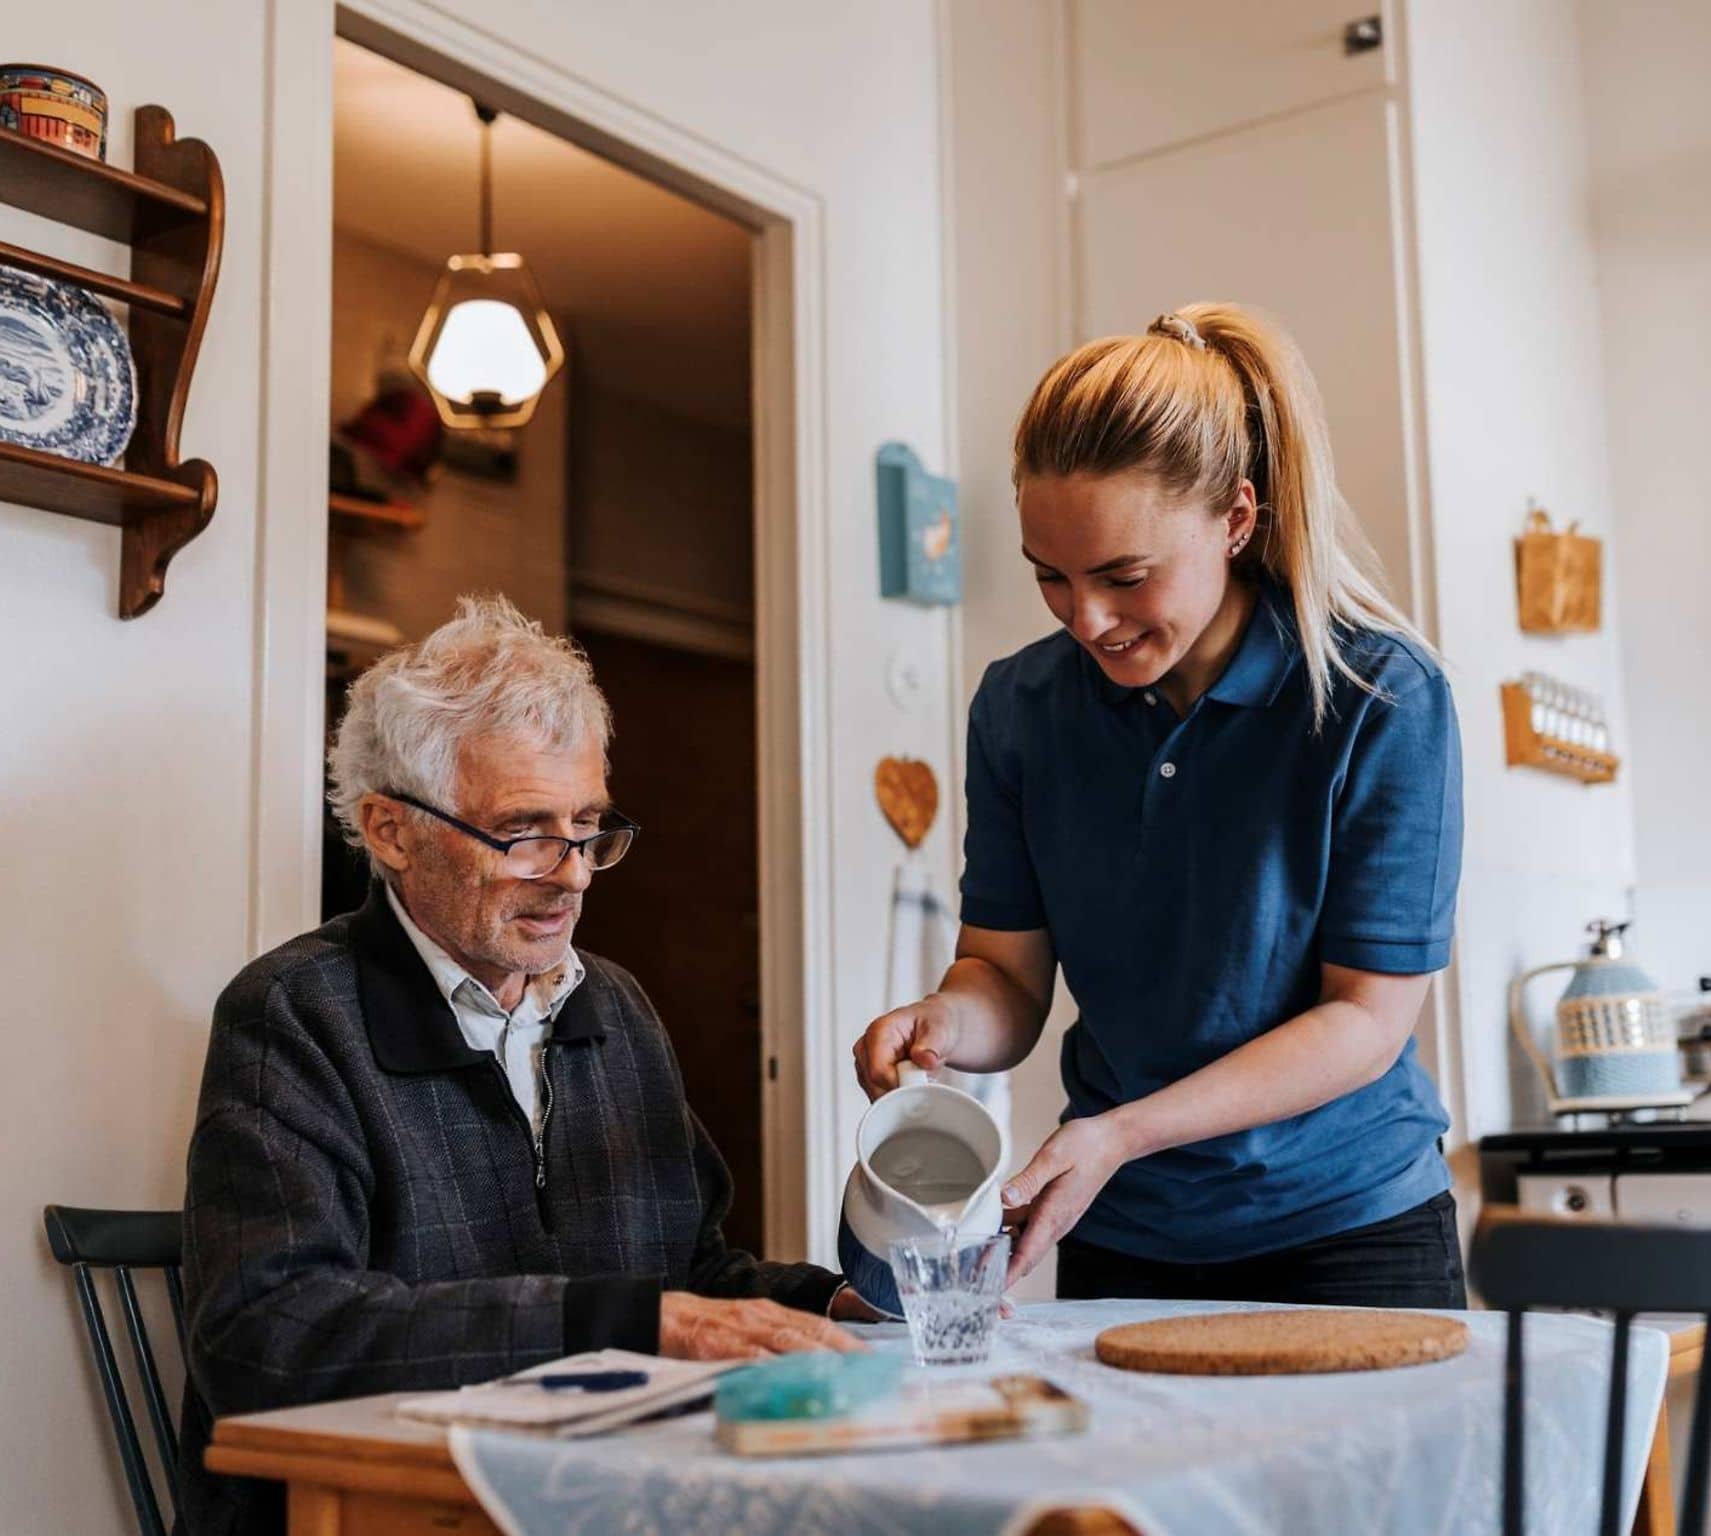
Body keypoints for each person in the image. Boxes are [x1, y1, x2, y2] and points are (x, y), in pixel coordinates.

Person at [180, 596, 867, 1535]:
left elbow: (690, 1274)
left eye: (587, 825)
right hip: (378, 1510)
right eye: (525, 831)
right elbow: (267, 1334)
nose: (574, 873)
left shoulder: (614, 1007)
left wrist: (837, 1304)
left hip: (592, 1501)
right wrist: (626, 1323)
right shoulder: (294, 1014)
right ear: (390, 831)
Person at [855, 304, 1465, 1308]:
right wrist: (943, 1020)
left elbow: (1365, 1019)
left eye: (1124, 577)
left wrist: (1123, 1133)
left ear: (1236, 519)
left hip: (1347, 1226)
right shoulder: (1019, 709)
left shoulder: (1380, 696)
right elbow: (1005, 976)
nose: (1088, 619)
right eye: (1050, 578)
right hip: (1124, 1229)